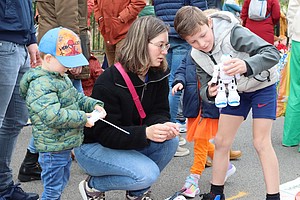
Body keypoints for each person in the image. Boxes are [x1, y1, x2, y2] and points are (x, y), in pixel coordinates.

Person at [174, 6, 281, 200]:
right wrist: (210, 92)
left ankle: (273, 196)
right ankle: (216, 193)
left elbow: (272, 53)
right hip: (234, 91)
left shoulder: (233, 33)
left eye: (203, 35)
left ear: (209, 23)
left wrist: (247, 65)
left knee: (261, 142)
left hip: (262, 86)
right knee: (222, 142)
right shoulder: (195, 54)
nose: (201, 43)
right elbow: (204, 87)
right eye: (193, 42)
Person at [74, 16, 179, 200]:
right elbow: (106, 134)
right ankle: (93, 186)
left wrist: (162, 126)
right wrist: (146, 133)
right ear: (141, 43)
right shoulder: (109, 81)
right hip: (94, 147)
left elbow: (159, 112)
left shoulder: (159, 73)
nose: (164, 51)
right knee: (147, 174)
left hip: (127, 140)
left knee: (170, 142)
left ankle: (136, 193)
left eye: (166, 46)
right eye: (160, 45)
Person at [20, 27, 107, 200]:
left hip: (63, 145)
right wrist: (83, 118)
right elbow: (53, 115)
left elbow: (77, 98)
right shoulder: (41, 84)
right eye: (66, 61)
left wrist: (94, 105)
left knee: (59, 184)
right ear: (50, 58)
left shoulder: (60, 76)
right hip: (52, 148)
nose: (70, 66)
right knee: (52, 190)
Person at [18, 0, 92, 182]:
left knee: (65, 104)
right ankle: (85, 157)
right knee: (67, 107)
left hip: (56, 43)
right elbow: (67, 15)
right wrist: (74, 57)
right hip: (62, 47)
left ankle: (32, 161)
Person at [171, 49, 236, 198]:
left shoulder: (216, 52)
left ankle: (194, 177)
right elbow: (181, 69)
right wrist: (179, 81)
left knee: (200, 140)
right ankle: (226, 166)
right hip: (193, 104)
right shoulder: (190, 53)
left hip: (209, 104)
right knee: (201, 140)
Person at [153, 0, 208, 158]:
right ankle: (170, 133)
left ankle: (165, 129)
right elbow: (199, 8)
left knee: (165, 81)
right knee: (176, 83)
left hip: (165, 32)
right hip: (183, 33)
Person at [0, 0, 41, 199]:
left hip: (21, 43)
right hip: (3, 41)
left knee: (16, 120)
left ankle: (3, 186)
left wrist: (31, 38)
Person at [94, 0, 146, 66]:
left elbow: (139, 2)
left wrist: (122, 17)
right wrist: (99, 17)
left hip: (124, 32)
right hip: (107, 32)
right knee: (113, 69)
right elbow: (95, 3)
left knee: (121, 68)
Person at [283, 0, 300, 151]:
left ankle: (290, 137)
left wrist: (291, 35)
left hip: (298, 38)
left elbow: (292, 10)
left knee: (296, 88)